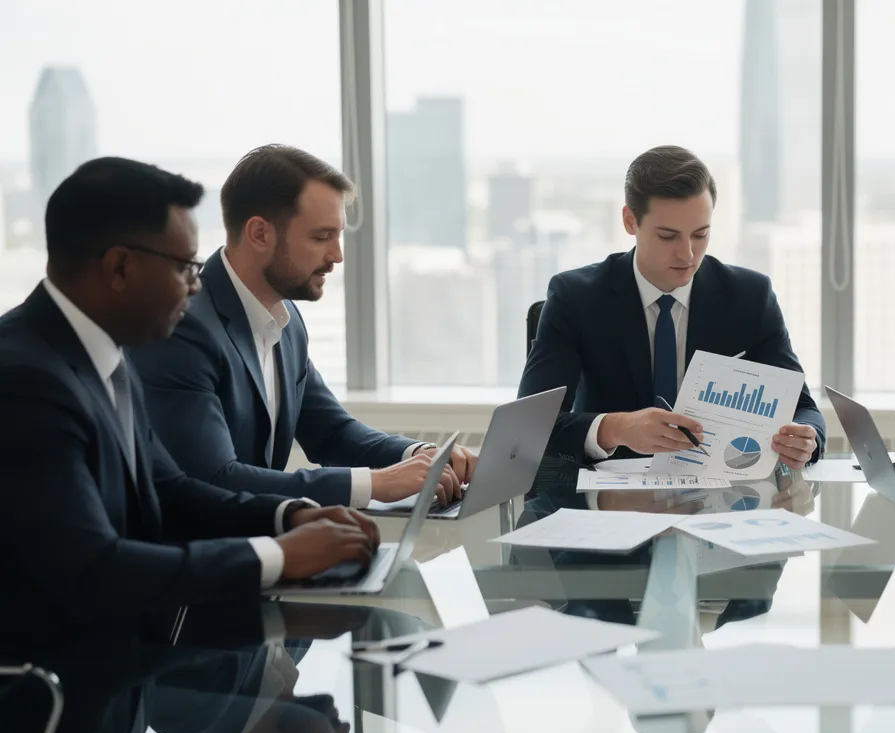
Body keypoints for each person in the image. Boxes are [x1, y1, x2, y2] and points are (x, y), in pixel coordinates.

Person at [0, 158, 380, 641]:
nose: (197, 285)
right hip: (54, 698)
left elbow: (170, 489)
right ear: (120, 266)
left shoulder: (106, 355)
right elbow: (93, 569)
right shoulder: (23, 380)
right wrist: (279, 556)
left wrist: (290, 516)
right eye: (185, 267)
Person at [128, 145, 474, 509]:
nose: (337, 255)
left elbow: (331, 432)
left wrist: (418, 454)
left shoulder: (285, 320)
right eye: (321, 237)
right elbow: (215, 479)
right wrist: (372, 484)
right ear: (260, 234)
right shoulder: (183, 328)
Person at [517, 145, 825, 468]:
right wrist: (616, 428)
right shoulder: (575, 299)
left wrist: (808, 439)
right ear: (629, 221)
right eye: (668, 237)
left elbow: (804, 409)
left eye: (700, 235)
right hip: (607, 504)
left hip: (720, 503)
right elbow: (528, 429)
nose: (688, 255)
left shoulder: (750, 298)